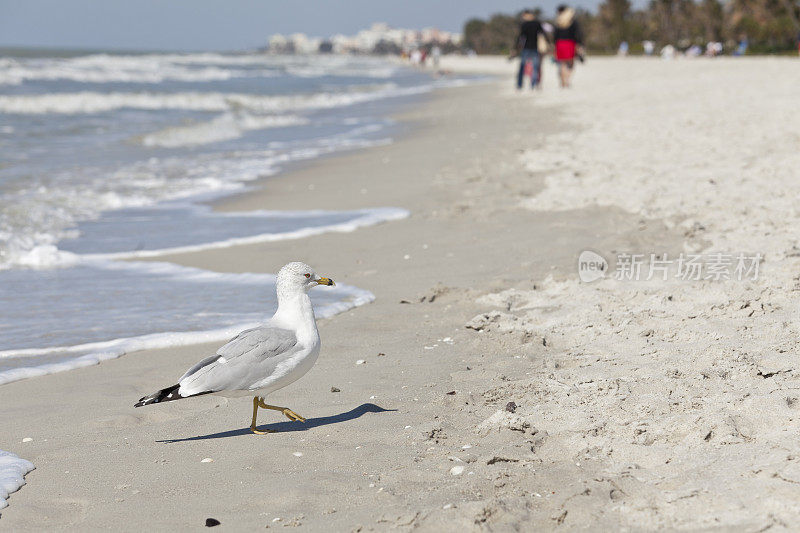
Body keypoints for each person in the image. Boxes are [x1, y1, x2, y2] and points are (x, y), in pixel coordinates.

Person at [514, 9, 550, 90]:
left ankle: (519, 84)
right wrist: (549, 43)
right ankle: (533, 84)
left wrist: (515, 47)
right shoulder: (537, 23)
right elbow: (543, 34)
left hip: (526, 48)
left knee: (522, 67)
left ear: (527, 15)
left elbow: (520, 37)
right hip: (535, 48)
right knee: (535, 67)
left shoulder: (524, 24)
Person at [553, 4, 583, 88]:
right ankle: (567, 79)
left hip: (559, 43)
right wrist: (579, 44)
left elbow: (555, 35)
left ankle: (563, 81)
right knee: (571, 63)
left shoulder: (558, 21)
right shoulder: (572, 20)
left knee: (562, 64)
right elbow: (577, 33)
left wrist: (554, 45)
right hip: (570, 43)